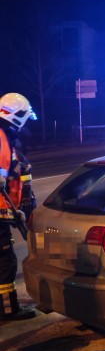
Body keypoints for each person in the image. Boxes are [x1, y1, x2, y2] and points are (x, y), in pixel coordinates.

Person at [0, 93, 37, 321]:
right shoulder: (2, 139)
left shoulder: (7, 140)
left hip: (5, 211)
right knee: (5, 262)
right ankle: (8, 309)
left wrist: (18, 209)